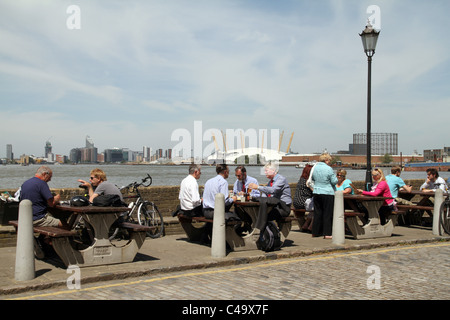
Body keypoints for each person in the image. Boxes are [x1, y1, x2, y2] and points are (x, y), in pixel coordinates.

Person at [248, 163, 292, 231]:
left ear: (274, 170)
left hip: (283, 208)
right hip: (275, 206)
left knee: (263, 216)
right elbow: (266, 193)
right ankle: (261, 232)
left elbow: (272, 190)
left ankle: (264, 233)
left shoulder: (281, 179)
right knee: (256, 215)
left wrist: (257, 187)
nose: (265, 172)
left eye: (266, 170)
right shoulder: (271, 182)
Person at [310, 153, 337, 239]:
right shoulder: (329, 169)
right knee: (327, 213)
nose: (329, 162)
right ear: (326, 160)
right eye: (329, 160)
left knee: (317, 213)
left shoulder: (315, 168)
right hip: (327, 192)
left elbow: (313, 179)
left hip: (317, 191)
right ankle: (327, 233)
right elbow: (334, 181)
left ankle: (315, 232)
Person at [293, 164, 314, 232]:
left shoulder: (301, 180)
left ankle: (306, 224)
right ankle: (310, 225)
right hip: (303, 202)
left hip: (296, 202)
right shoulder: (309, 181)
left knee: (314, 206)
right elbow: (314, 191)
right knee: (319, 206)